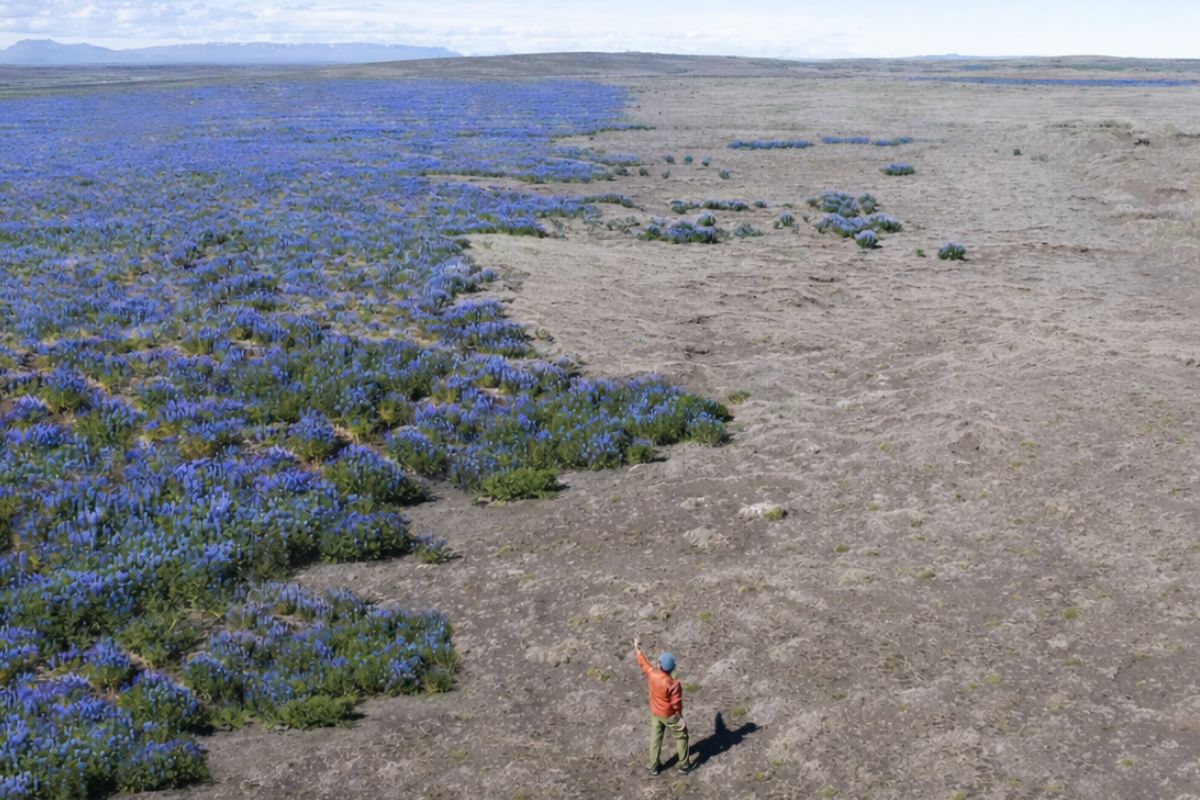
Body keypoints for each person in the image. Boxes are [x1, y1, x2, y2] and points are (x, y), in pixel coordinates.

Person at [633, 636, 694, 775]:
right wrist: (680, 717)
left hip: (655, 712)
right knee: (681, 736)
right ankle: (684, 765)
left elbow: (643, 663)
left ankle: (654, 766)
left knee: (655, 739)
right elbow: (676, 703)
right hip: (670, 715)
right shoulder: (673, 684)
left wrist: (637, 648)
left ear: (660, 665)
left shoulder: (652, 674)